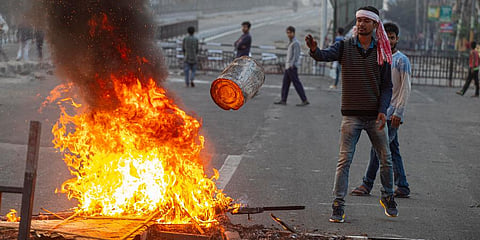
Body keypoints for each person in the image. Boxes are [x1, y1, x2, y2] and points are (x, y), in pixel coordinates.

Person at [305, 6, 397, 223]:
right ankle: (338, 205)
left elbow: (387, 86)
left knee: (386, 159)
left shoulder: (381, 51)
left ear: (375, 25)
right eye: (359, 20)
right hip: (351, 116)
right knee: (344, 160)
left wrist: (383, 111)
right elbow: (323, 56)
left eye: (366, 20)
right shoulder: (344, 46)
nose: (361, 24)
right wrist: (314, 49)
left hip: (375, 116)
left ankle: (388, 196)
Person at [351, 22, 412, 199]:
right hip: (382, 112)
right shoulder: (380, 57)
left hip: (392, 114)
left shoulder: (402, 60)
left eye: (393, 38)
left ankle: (367, 183)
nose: (390, 41)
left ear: (397, 39)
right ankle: (403, 185)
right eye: (387, 37)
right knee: (392, 149)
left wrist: (398, 114)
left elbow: (405, 89)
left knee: (378, 149)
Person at [274, 26, 309, 106]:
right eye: (287, 33)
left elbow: (296, 55)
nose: (288, 34)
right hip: (288, 67)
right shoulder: (291, 42)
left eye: (290, 32)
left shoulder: (295, 43)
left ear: (293, 33)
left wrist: (292, 65)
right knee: (285, 84)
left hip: (291, 67)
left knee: (296, 83)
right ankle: (283, 100)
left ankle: (304, 99)